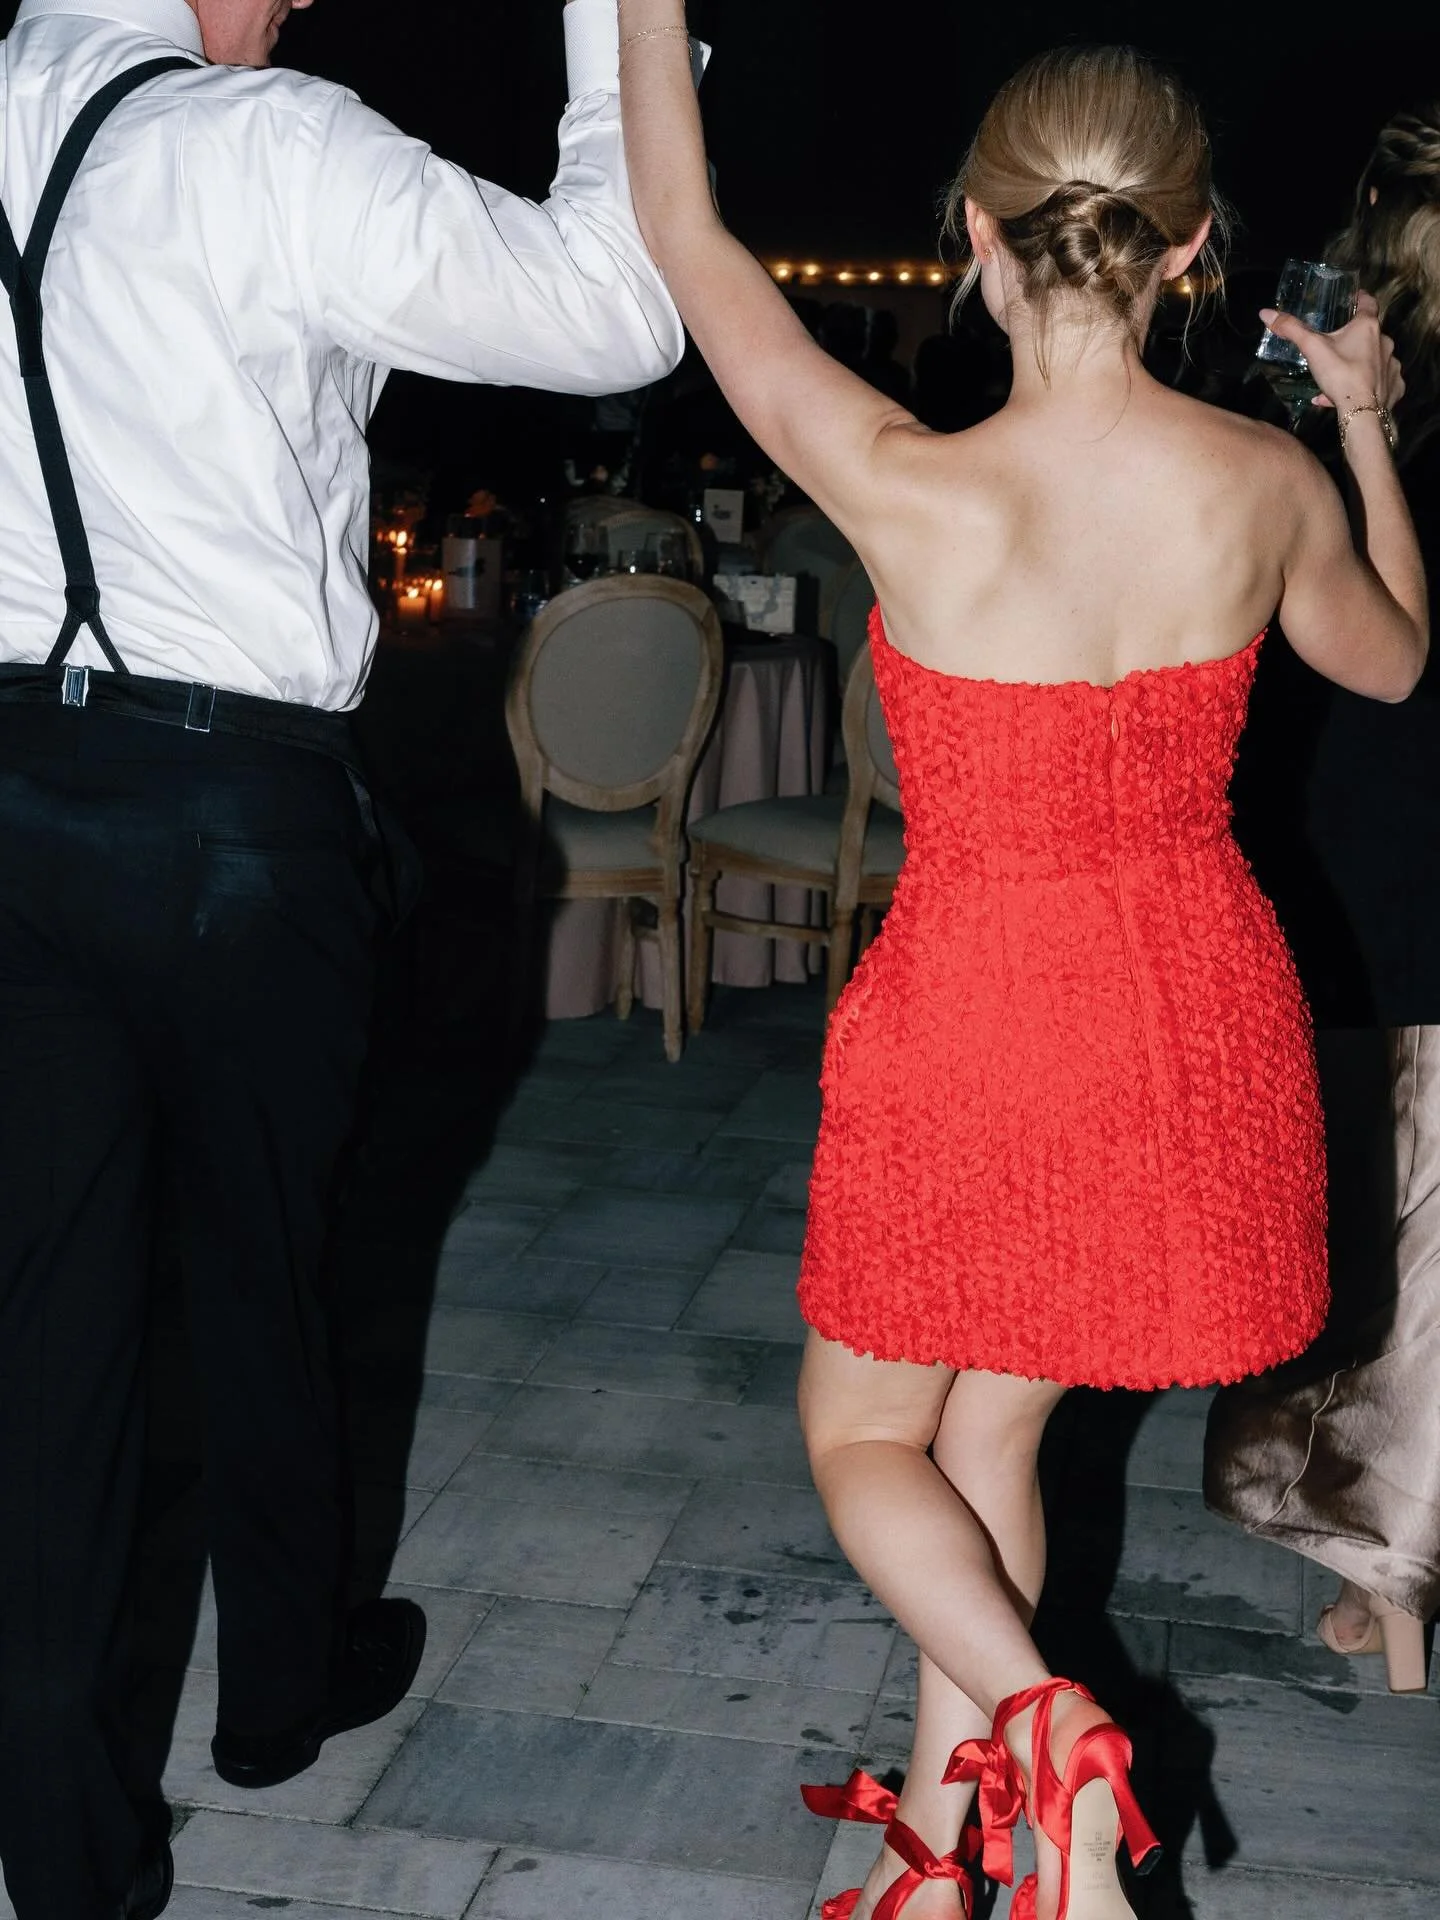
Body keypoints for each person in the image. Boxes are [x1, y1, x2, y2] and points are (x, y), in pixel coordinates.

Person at [616, 21, 1425, 1920]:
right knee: (986, 1433)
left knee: (861, 1434)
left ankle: (1050, 1734)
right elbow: (1393, 664)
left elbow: (679, 225)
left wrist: (644, 15)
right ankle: (942, 1847)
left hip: (985, 1005)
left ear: (977, 235)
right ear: (1190, 244)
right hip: (1193, 1019)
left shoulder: (907, 476)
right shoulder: (1264, 484)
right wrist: (1366, 417)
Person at [0, 0, 683, 1914]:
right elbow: (617, 311)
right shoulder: (265, 143)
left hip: (12, 794)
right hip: (232, 818)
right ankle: (280, 1688)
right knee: (272, 1256)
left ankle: (66, 1862)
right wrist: (619, 30)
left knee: (44, 1338)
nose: (290, 8)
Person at [1206, 105, 1440, 1696]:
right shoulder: (1352, 367)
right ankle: (1385, 1557)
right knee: (1394, 1190)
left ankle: (1392, 1562)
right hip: (1353, 810)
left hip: (1370, 811)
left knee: (1387, 1188)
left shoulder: (1365, 379)